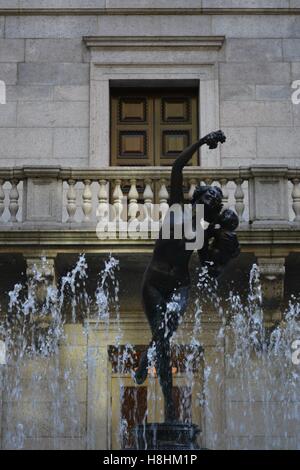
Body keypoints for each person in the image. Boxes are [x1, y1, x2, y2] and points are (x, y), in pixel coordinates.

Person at [134, 130, 239, 422]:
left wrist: (225, 256)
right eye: (211, 194)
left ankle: (145, 361)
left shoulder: (204, 233)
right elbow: (177, 166)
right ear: (199, 197)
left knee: (164, 332)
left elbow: (208, 268)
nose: (214, 199)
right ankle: (169, 404)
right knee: (164, 342)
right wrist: (203, 142)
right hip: (153, 282)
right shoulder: (177, 207)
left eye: (217, 199)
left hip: (180, 285)